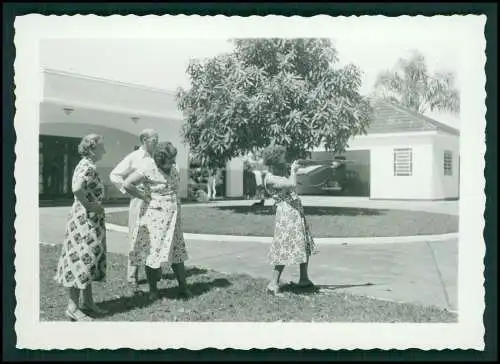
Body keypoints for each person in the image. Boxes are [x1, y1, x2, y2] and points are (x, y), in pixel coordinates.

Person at [122, 141, 192, 300]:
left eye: (174, 158)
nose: (173, 162)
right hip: (154, 218)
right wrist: (144, 197)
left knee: (177, 252)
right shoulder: (147, 168)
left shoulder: (174, 168)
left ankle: (183, 287)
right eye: (170, 159)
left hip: (173, 218)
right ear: (160, 160)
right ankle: (153, 290)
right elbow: (127, 183)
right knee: (152, 254)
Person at [54, 134, 108, 321]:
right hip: (84, 221)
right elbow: (77, 188)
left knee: (89, 259)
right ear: (93, 148)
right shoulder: (86, 166)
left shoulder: (87, 165)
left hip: (88, 219)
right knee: (80, 259)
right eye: (102, 147)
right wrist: (90, 205)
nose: (105, 150)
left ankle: (88, 302)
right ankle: (73, 307)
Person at [260, 145, 318, 295]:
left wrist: (297, 168)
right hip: (286, 215)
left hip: (295, 212)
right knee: (284, 247)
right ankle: (273, 284)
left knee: (303, 245)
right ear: (274, 159)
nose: (284, 159)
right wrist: (293, 170)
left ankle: (304, 279)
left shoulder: (279, 173)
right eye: (282, 157)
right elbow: (292, 185)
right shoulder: (270, 178)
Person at [109, 129, 159, 294]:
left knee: (154, 237)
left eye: (158, 138)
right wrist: (131, 192)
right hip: (139, 201)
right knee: (135, 237)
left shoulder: (158, 156)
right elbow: (114, 175)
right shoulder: (134, 157)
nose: (157, 141)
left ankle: (154, 276)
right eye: (154, 138)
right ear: (144, 139)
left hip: (156, 203)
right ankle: (132, 278)